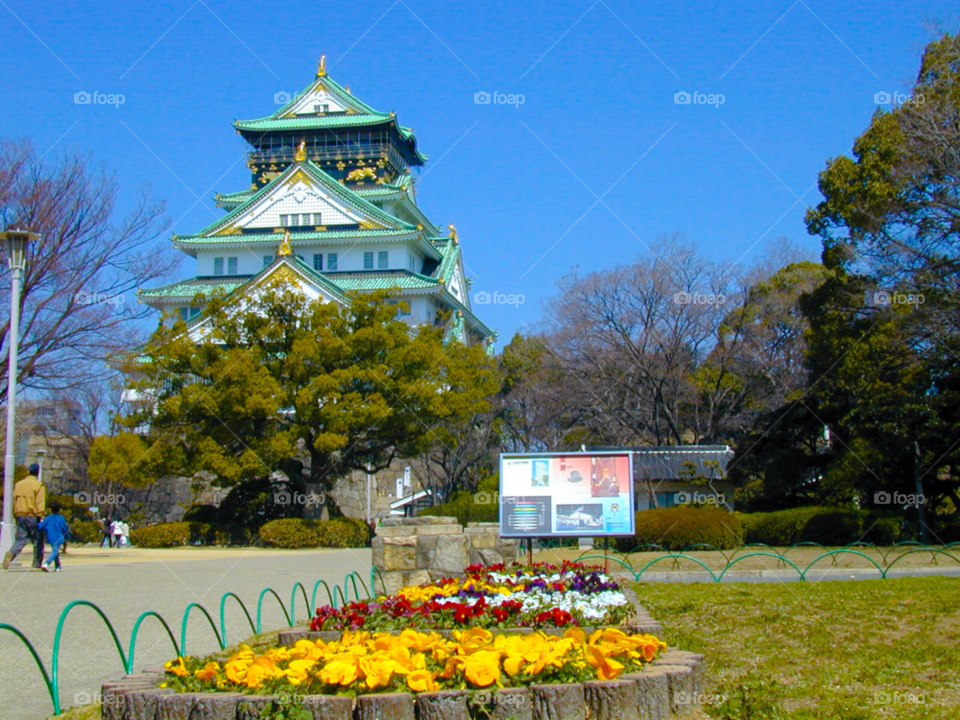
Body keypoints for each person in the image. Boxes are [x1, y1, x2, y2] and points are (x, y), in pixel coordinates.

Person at [2, 464, 46, 570]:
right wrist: (41, 515)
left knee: (21, 538)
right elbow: (40, 502)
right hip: (32, 516)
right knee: (38, 539)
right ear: (37, 472)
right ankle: (36, 564)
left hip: (20, 514)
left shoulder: (19, 484)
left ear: (28, 472)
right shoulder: (38, 485)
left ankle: (11, 553)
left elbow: (14, 500)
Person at [38, 501, 69, 572]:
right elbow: (65, 528)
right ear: (59, 509)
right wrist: (67, 535)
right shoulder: (61, 518)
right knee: (55, 551)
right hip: (59, 537)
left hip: (50, 537)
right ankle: (47, 563)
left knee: (55, 550)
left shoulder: (48, 518)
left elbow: (40, 527)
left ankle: (58, 566)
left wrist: (41, 521)